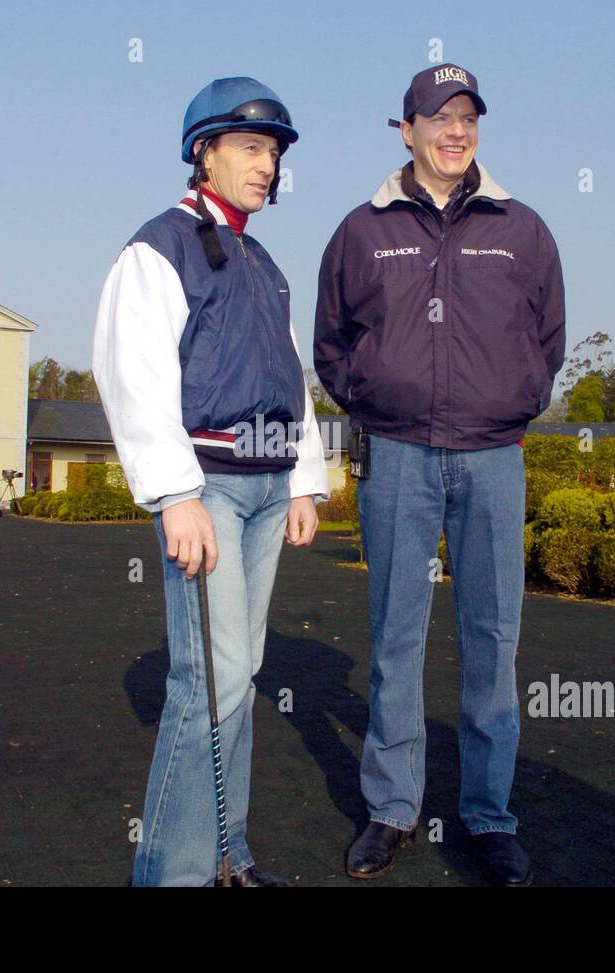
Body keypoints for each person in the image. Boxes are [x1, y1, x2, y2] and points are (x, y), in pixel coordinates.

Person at [313, 63, 566, 886]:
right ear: (406, 130)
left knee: (493, 640)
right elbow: (330, 344)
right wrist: (375, 403)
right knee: (395, 634)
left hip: (494, 456)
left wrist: (517, 401)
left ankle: (489, 816)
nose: (455, 131)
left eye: (468, 118)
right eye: (438, 117)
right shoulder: (362, 230)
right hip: (399, 455)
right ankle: (392, 810)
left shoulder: (522, 229)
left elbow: (548, 339)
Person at [93, 76, 330, 887]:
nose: (268, 166)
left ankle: (229, 854)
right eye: (252, 148)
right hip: (210, 487)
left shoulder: (264, 264)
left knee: (242, 675)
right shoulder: (157, 246)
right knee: (209, 683)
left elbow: (291, 377)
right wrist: (174, 492)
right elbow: (133, 372)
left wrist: (303, 479)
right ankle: (172, 876)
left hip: (267, 488)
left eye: (274, 153)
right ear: (205, 152)